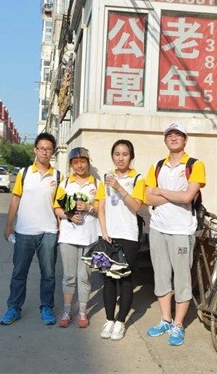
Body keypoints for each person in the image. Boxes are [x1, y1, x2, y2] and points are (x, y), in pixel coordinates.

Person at [144, 122, 206, 346]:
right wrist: (174, 195)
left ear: (185, 139)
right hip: (158, 228)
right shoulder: (157, 166)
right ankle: (166, 320)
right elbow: (147, 198)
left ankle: (178, 325)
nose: (173, 137)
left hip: (181, 231)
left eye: (178, 134)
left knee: (181, 279)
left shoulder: (195, 165)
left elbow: (188, 197)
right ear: (165, 140)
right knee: (161, 276)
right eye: (169, 134)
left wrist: (160, 191)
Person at [0, 133, 62, 326]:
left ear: (53, 152)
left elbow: (59, 206)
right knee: (19, 272)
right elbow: (15, 199)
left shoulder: (58, 176)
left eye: (49, 149)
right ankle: (14, 308)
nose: (45, 152)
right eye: (42, 148)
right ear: (35, 150)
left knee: (48, 274)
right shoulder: (24, 173)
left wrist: (62, 228)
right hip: (24, 232)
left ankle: (46, 308)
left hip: (49, 232)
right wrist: (9, 226)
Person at [94, 139, 145, 341]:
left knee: (125, 279)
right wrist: (104, 231)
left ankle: (121, 321)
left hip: (129, 236)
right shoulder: (106, 177)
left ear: (131, 157)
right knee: (107, 278)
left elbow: (136, 207)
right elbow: (101, 207)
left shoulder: (138, 179)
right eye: (117, 154)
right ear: (112, 156)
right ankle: (109, 319)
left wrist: (119, 187)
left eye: (125, 154)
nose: (120, 158)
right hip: (108, 235)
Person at [53, 147, 100, 328]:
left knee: (84, 276)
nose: (79, 166)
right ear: (71, 165)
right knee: (69, 276)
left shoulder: (97, 184)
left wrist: (89, 207)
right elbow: (57, 208)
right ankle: (67, 311)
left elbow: (102, 210)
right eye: (75, 162)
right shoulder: (65, 184)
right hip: (68, 236)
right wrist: (70, 216)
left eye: (82, 161)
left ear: (88, 163)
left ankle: (82, 312)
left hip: (89, 237)